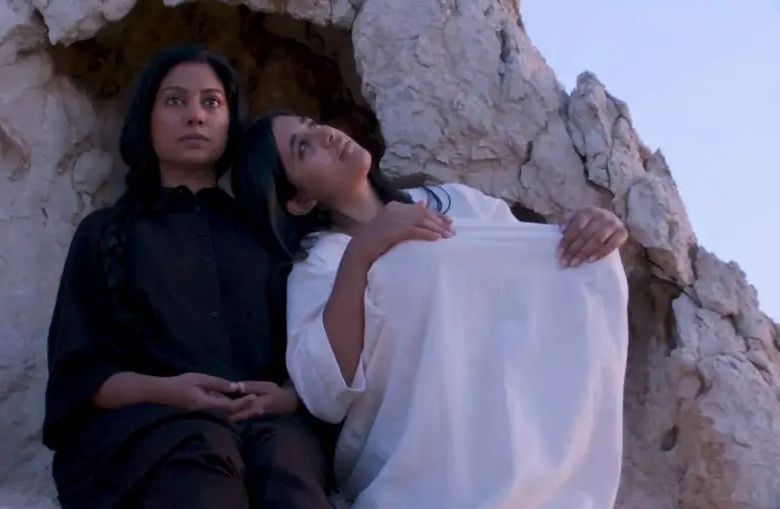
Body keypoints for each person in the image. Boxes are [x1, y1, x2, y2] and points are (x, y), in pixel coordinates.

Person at [230, 112, 630, 508]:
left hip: (511, 398)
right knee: (409, 264)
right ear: (300, 200)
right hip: (426, 448)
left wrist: (590, 228)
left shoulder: (453, 200)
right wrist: (362, 254)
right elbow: (325, 389)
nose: (327, 136)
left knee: (596, 262)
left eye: (315, 125)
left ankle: (546, 471)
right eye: (304, 147)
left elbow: (530, 269)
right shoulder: (321, 262)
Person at [41, 48, 333, 509]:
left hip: (268, 425)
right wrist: (168, 391)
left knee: (286, 467)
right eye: (176, 101)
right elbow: (77, 379)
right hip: (146, 429)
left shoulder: (267, 233)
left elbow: (318, 354)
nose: (195, 116)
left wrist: (287, 398)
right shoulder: (105, 234)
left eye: (212, 103)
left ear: (230, 123)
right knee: (202, 457)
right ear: (148, 121)